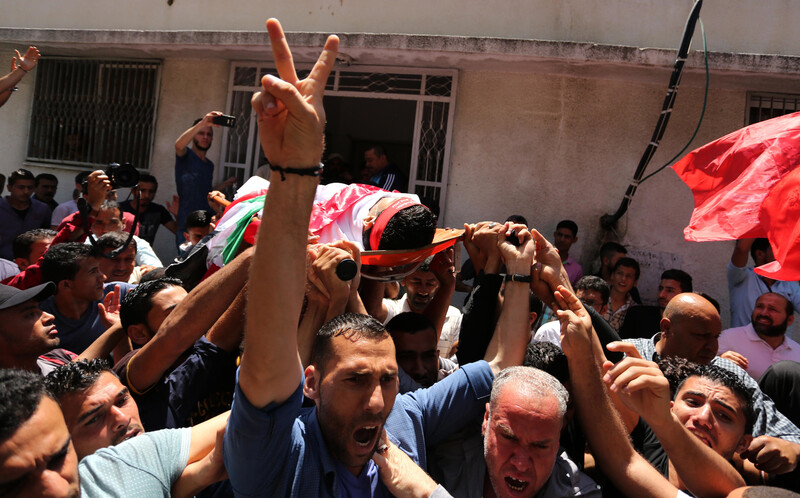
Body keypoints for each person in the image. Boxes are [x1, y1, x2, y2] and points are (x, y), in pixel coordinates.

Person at [222, 20, 531, 496]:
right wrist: (293, 172)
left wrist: (519, 271)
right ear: (311, 383)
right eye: (355, 379)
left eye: (389, 378)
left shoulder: (409, 412)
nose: (375, 401)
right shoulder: (280, 451)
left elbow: (500, 364)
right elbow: (265, 362)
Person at [620, 293, 800, 479]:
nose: (713, 347)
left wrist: (792, 449)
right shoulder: (623, 357)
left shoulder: (728, 370)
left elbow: (785, 433)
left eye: (716, 336)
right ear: (667, 327)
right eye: (701, 336)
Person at [0, 368, 228, 497]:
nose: (57, 489)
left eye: (59, 456)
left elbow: (246, 416)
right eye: (16, 482)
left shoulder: (127, 461)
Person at [114, 250, 247, 431]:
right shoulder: (134, 371)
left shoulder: (206, 353)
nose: (196, 316)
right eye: (177, 313)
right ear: (139, 334)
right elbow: (172, 337)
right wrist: (251, 258)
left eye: (193, 305)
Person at [481, 366, 601, 497]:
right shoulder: (455, 447)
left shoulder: (578, 493)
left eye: (540, 446)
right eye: (509, 437)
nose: (521, 464)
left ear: (557, 441)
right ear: (487, 420)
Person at [38, 242, 133, 354]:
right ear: (66, 285)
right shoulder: (38, 318)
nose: (103, 277)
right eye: (93, 271)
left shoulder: (117, 293)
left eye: (99, 269)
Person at [371, 253, 462, 360]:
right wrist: (379, 259)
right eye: (416, 282)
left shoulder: (454, 316)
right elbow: (374, 312)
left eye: (430, 284)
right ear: (403, 280)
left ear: (438, 284)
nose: (423, 290)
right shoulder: (393, 309)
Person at [174, 111, 235, 247]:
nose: (205, 137)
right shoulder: (185, 156)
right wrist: (203, 123)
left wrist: (225, 184)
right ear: (194, 135)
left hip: (207, 226)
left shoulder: (209, 165)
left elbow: (206, 191)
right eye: (201, 133)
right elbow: (178, 145)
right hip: (187, 227)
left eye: (209, 134)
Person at [718, 292, 800, 380]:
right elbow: (702, 367)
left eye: (772, 309)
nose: (764, 313)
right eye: (759, 307)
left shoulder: (797, 351)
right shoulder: (728, 338)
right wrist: (719, 361)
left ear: (789, 320)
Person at [729, 238, 800, 335]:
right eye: (778, 248)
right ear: (760, 254)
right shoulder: (742, 277)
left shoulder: (790, 284)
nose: (785, 253)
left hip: (779, 349)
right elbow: (741, 249)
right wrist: (756, 223)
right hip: (742, 347)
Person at [386, 312, 457, 389]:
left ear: (437, 356)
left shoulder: (454, 385)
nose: (420, 370)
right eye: (407, 358)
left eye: (428, 357)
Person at [532, 275, 609, 346]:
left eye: (590, 303)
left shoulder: (609, 342)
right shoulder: (549, 332)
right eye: (580, 301)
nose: (582, 307)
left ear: (604, 310)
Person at [619, 268, 692, 339]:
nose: (661, 295)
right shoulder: (638, 315)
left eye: (669, 290)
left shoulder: (688, 326)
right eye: (660, 289)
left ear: (684, 295)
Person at [0, 169, 51, 260]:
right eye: (21, 187)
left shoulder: (42, 209)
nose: (26, 191)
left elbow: (47, 236)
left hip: (30, 264)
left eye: (30, 188)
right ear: (9, 187)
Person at [119, 174, 177, 245]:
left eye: (151, 192)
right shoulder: (120, 209)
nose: (147, 195)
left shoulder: (158, 210)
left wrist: (177, 215)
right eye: (142, 191)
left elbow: (177, 232)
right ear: (133, 191)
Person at [603, 256, 639, 331]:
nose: (623, 279)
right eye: (620, 273)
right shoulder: (599, 296)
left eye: (628, 276)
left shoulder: (635, 309)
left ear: (635, 282)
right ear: (612, 276)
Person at [553, 219, 583, 287]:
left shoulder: (577, 269)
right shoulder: (542, 257)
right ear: (555, 234)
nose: (562, 239)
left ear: (574, 240)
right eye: (560, 235)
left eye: (567, 237)